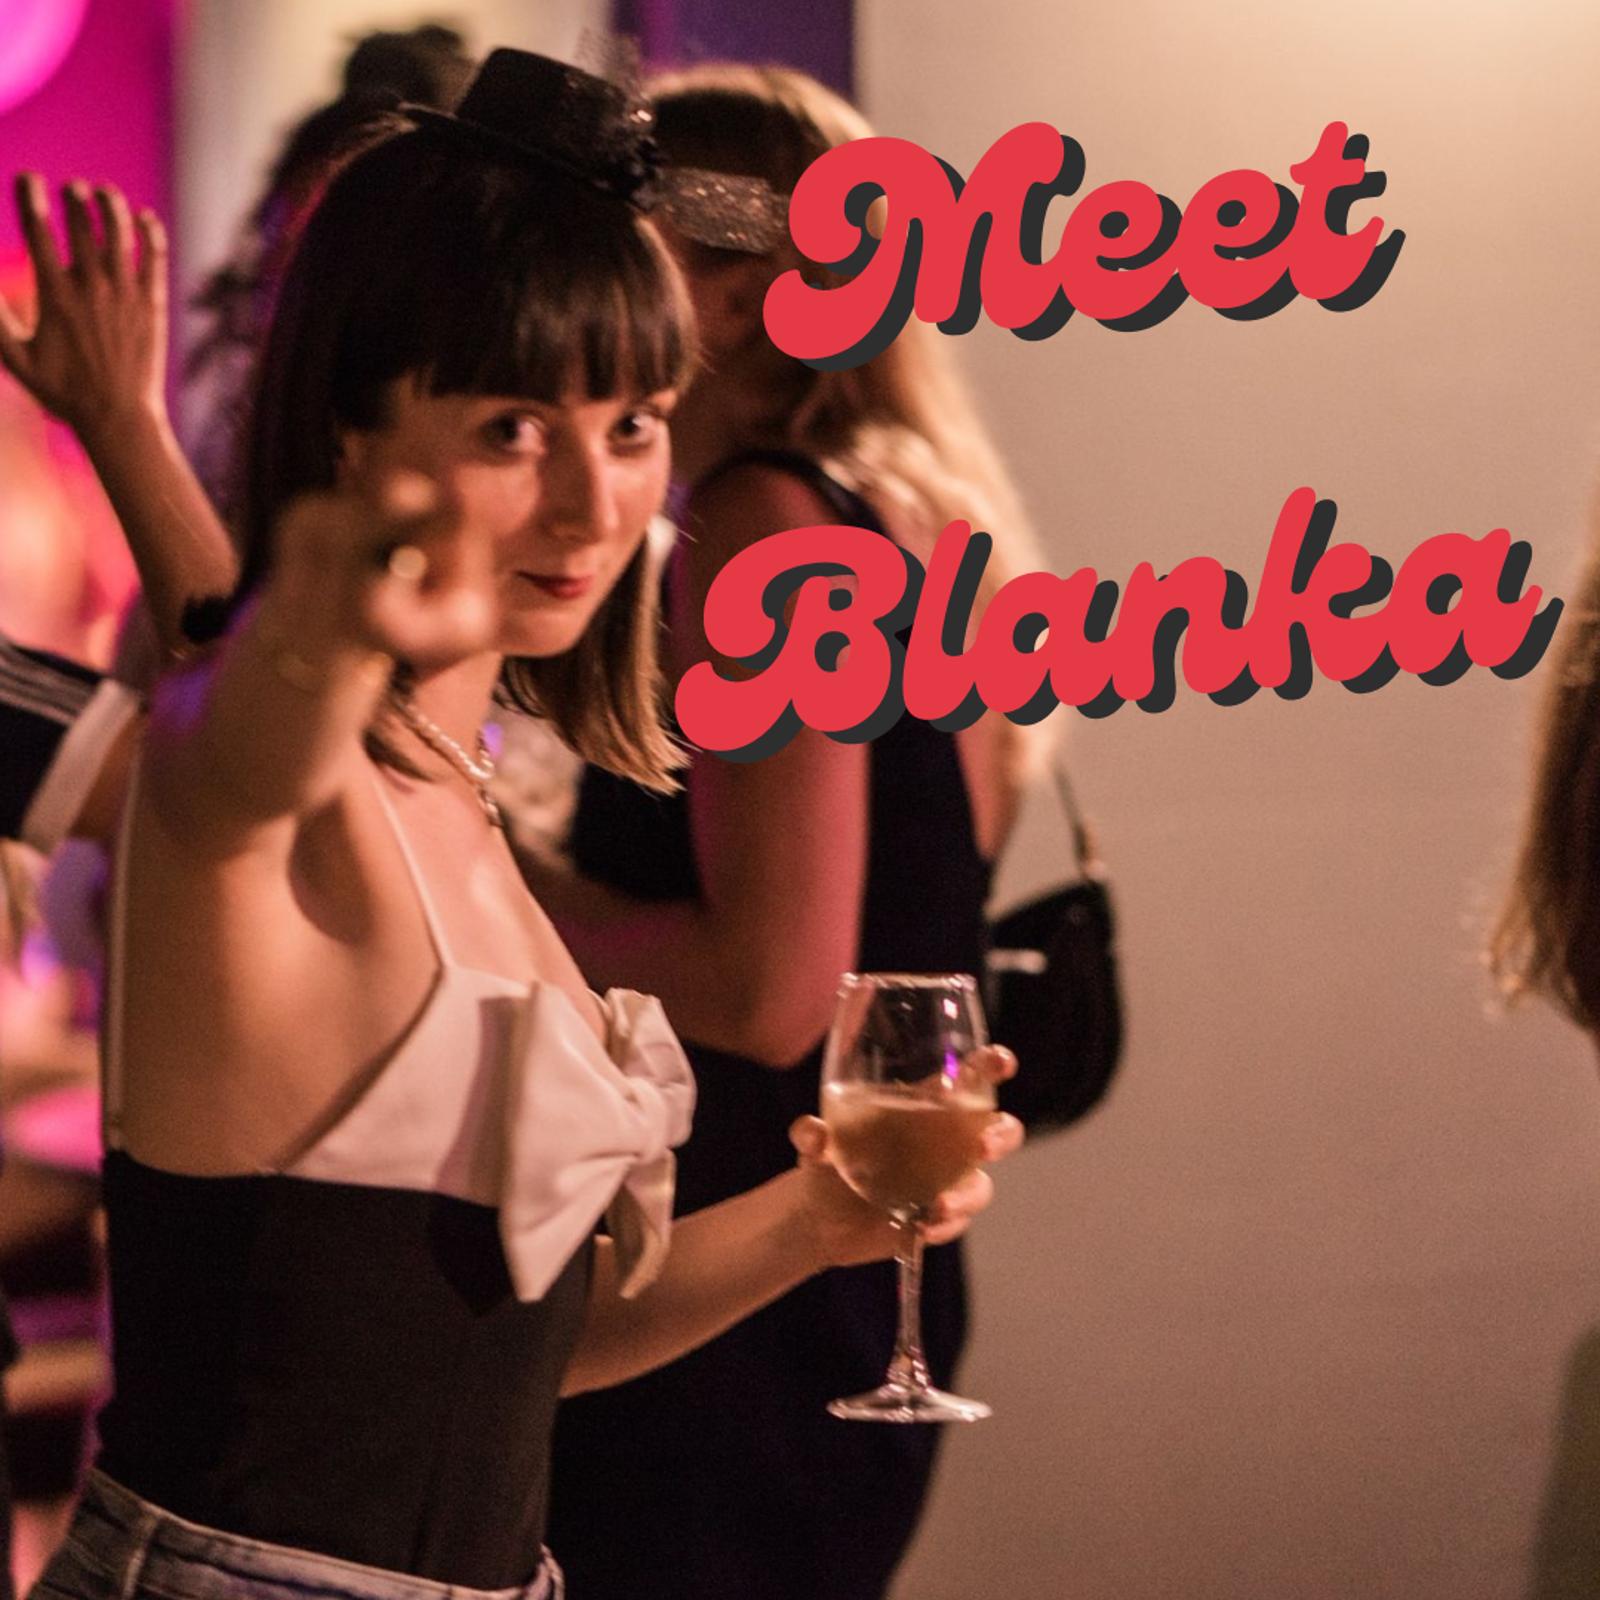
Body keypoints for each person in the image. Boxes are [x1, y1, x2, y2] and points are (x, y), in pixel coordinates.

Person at [3, 49, 1018, 1600]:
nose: (594, 504)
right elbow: (239, 725)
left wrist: (827, 1214)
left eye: (635, 424)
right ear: (352, 435)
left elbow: (533, 1341)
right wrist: (308, 590)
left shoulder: (456, 812)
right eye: (510, 428)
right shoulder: (263, 791)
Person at [524, 64, 1050, 1600]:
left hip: (740, 1280)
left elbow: (769, 988)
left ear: (745, 296)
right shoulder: (918, 511)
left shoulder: (765, 525)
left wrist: (494, 882)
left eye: (623, 249)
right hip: (853, 1262)